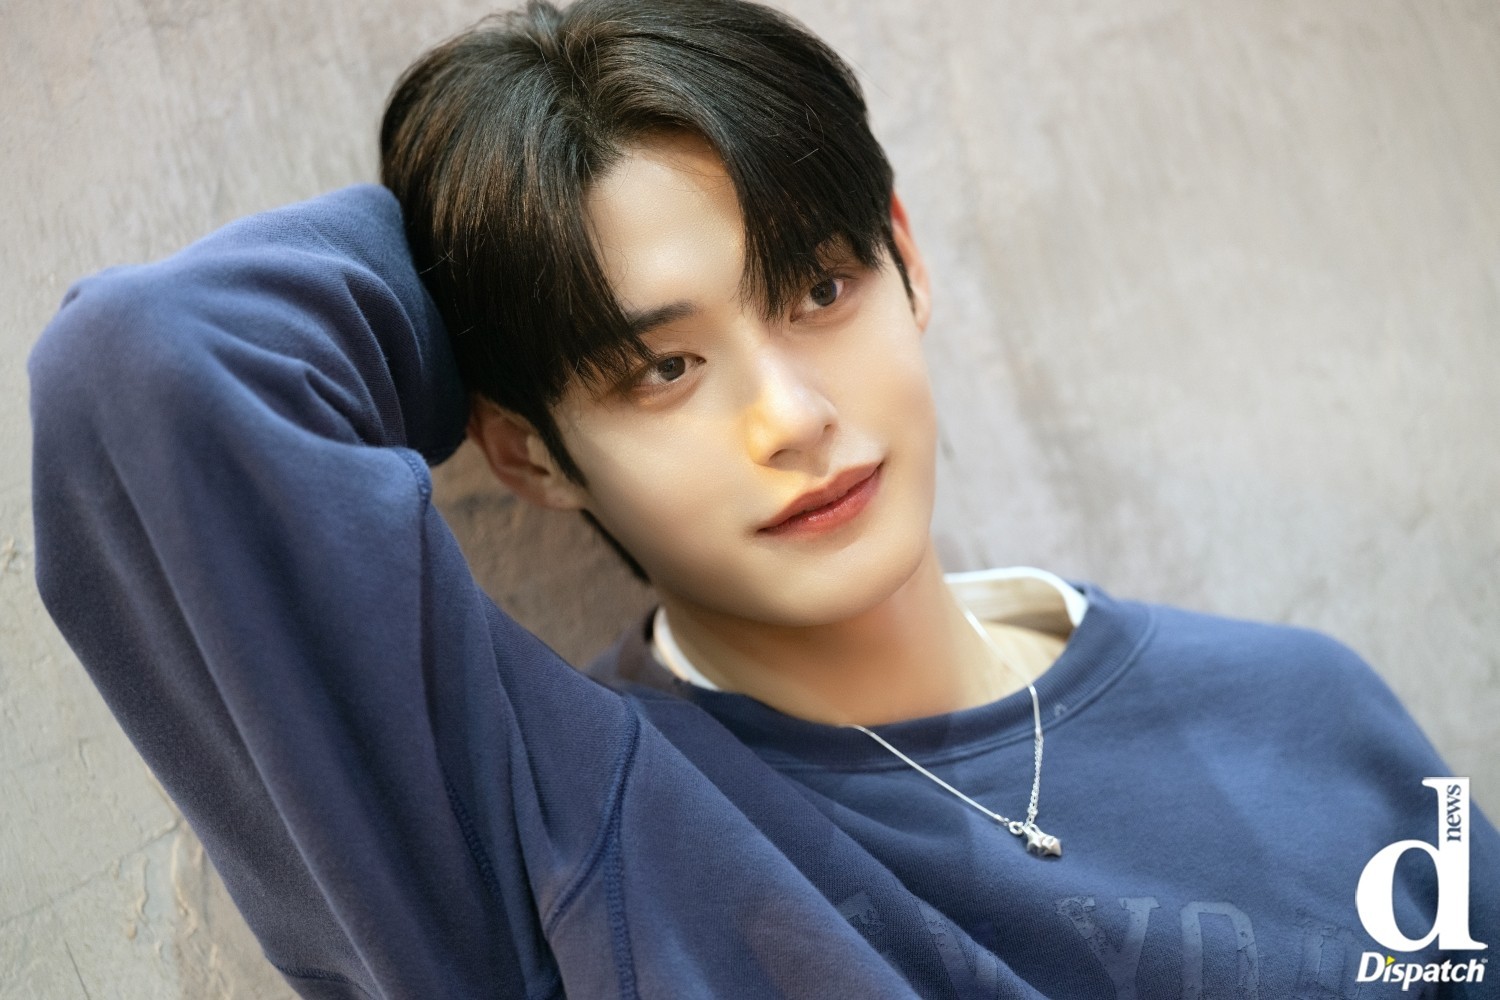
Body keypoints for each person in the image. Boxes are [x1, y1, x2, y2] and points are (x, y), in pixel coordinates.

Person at [28, 0, 1497, 997]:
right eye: (659, 369)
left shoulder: (1309, 709)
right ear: (528, 454)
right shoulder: (568, 839)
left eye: (819, 287)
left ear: (907, 258)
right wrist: (491, 257)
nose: (789, 417)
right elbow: (147, 366)